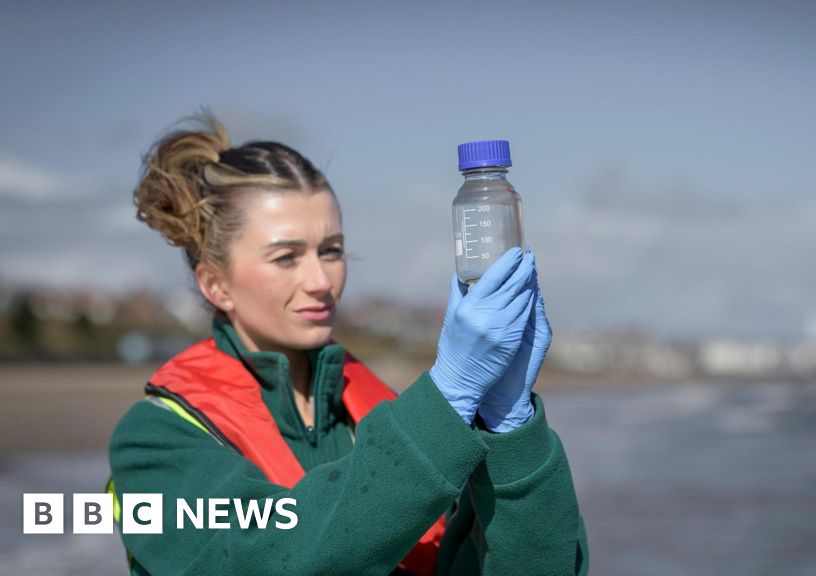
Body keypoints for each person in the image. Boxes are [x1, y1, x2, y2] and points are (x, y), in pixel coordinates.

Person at [106, 112, 588, 575]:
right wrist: (449, 394)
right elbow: (273, 559)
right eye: (285, 257)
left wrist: (511, 428)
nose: (322, 280)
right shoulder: (155, 440)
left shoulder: (388, 416)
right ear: (215, 285)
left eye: (331, 250)